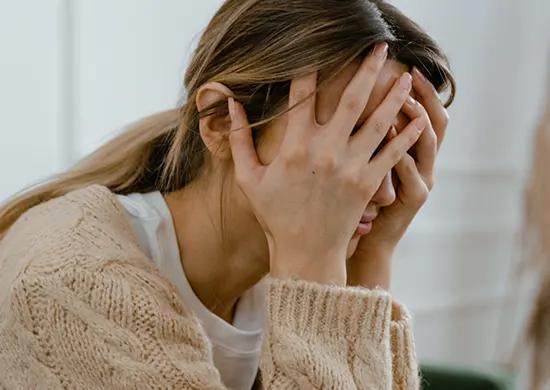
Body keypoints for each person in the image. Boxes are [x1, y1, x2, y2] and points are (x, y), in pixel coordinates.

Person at [0, 0, 455, 388]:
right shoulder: (74, 286)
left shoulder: (294, 262)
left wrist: (369, 261)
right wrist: (318, 273)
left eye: (398, 150)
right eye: (348, 140)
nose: (382, 186)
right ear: (220, 123)